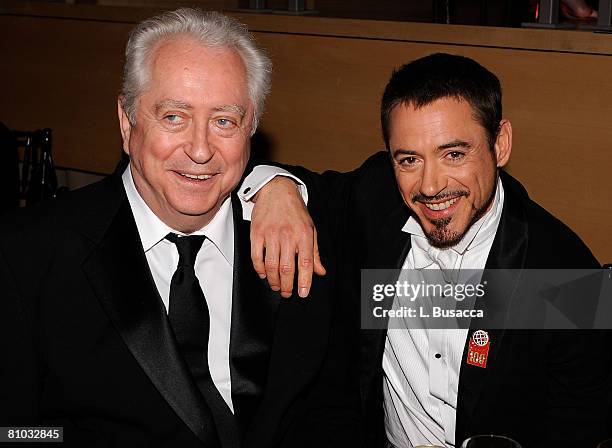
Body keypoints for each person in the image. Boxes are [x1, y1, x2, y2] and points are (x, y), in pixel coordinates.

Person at [0, 8, 361, 447]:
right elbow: (15, 431)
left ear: (250, 129)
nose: (200, 149)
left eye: (224, 121)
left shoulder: (304, 235)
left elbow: (333, 411)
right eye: (174, 116)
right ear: (126, 120)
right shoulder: (29, 253)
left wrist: (278, 180)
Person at [246, 53, 611, 447]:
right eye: (409, 160)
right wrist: (275, 189)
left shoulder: (567, 272)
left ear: (499, 144)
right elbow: (309, 187)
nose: (431, 186)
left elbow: (585, 422)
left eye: (453, 154)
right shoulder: (377, 200)